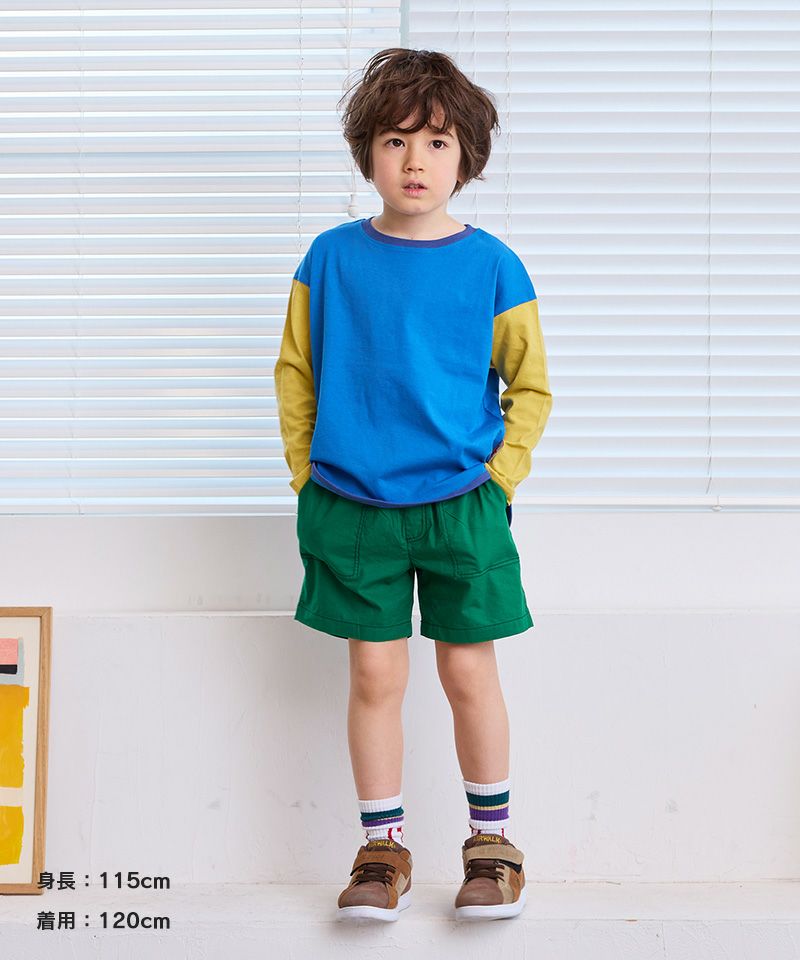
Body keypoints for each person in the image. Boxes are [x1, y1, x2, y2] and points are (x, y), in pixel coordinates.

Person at [274, 47, 553, 922]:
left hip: (464, 508)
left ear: (466, 156)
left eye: (436, 142)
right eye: (395, 140)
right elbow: (296, 373)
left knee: (469, 670)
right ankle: (382, 851)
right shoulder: (330, 258)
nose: (415, 161)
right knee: (374, 675)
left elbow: (531, 386)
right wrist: (306, 476)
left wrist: (499, 482)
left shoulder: (494, 265)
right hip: (352, 506)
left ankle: (492, 848)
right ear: (367, 151)